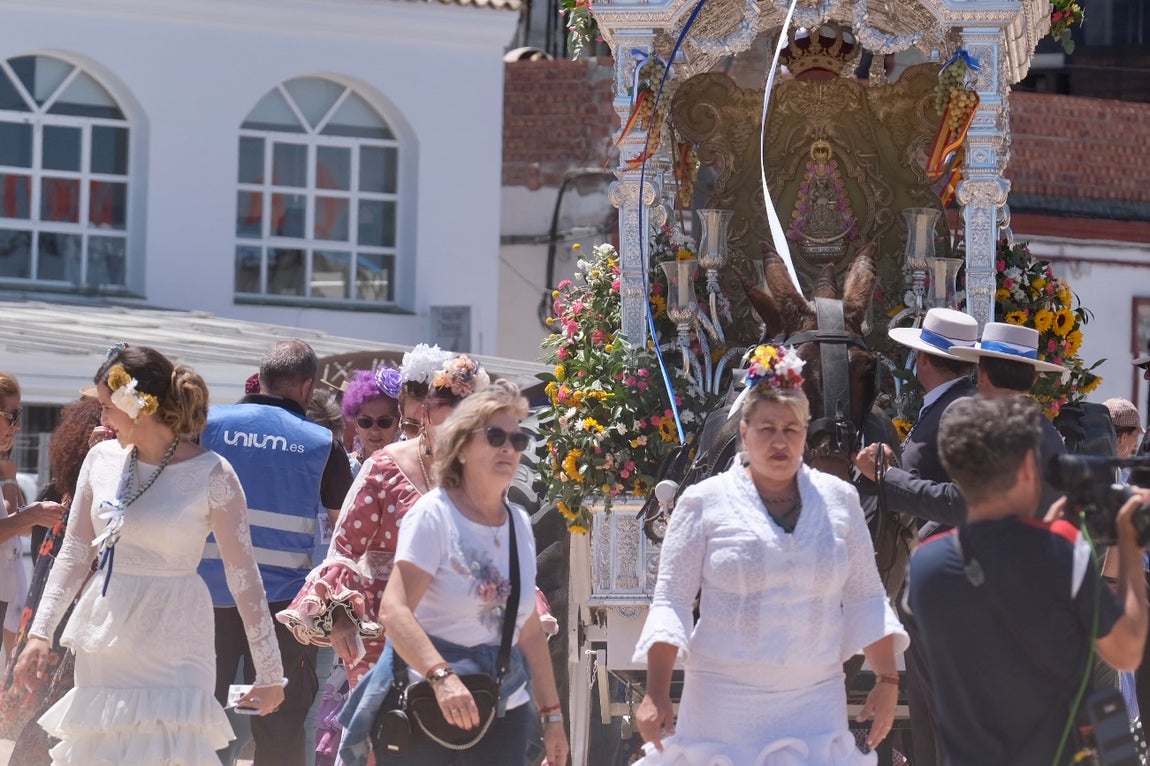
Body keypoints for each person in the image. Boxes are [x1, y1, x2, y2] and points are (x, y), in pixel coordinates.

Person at [632, 344, 908, 765]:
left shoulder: (840, 500)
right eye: (767, 429)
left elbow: (867, 598)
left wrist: (888, 679)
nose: (780, 441)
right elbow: (670, 601)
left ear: (805, 432)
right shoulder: (703, 503)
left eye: (791, 429)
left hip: (816, 708)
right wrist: (655, 692)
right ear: (744, 433)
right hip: (723, 713)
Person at [12, 344, 285, 764]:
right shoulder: (99, 460)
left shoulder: (214, 474)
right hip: (106, 640)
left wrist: (269, 672)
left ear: (137, 405)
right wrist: (38, 635)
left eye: (107, 406)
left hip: (177, 641)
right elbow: (74, 553)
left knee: (169, 750)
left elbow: (244, 579)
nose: (101, 419)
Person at [906, 395, 1150, 766]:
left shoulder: (924, 566)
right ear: (1026, 468)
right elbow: (1127, 651)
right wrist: (1128, 546)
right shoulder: (1063, 557)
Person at [337, 378, 569, 766]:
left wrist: (553, 716)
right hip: (426, 703)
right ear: (462, 445)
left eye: (518, 440)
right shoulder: (434, 515)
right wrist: (442, 678)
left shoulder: (519, 524)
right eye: (495, 436)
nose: (509, 449)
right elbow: (394, 611)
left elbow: (527, 628)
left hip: (502, 707)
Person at [278, 349, 489, 691]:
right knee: (388, 736)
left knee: (457, 735)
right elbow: (343, 549)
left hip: (456, 629)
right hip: (381, 631)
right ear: (426, 416)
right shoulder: (383, 466)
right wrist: (342, 618)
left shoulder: (481, 474)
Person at [199, 339, 355, 766]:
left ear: (261, 376)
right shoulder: (322, 443)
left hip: (205, 598)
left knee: (197, 717)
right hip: (281, 608)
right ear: (307, 387)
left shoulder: (208, 424)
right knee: (280, 724)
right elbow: (344, 527)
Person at [851, 307, 978, 766]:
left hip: (947, 578)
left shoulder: (958, 410)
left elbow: (963, 500)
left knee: (942, 712)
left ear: (923, 360)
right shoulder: (949, 405)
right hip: (935, 580)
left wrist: (887, 477)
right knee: (929, 709)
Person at [0, 397, 103, 766]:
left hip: (43, 621)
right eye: (12, 417)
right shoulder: (76, 501)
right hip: (67, 628)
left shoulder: (58, 496)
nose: (18, 426)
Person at [0, 372, 67, 637]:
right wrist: (34, 515)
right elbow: (20, 523)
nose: (17, 426)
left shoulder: (5, 466)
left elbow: (16, 525)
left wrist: (9, 476)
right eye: (13, 416)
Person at [343, 365, 402, 476]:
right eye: (366, 422)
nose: (374, 431)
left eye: (384, 422)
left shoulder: (406, 470)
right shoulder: (343, 466)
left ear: (398, 422)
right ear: (355, 423)